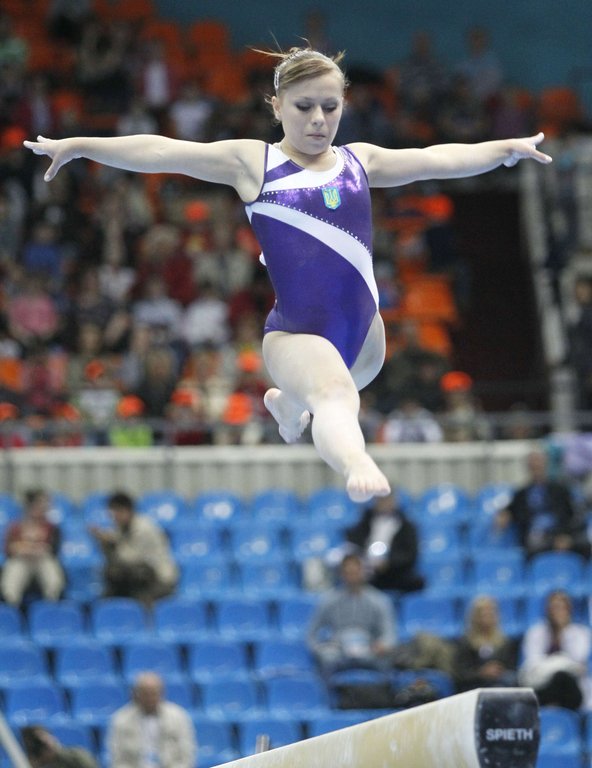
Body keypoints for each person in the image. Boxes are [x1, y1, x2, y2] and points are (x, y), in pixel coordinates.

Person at [24, 46, 553, 502]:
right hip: (297, 336)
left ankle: (286, 402)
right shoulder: (255, 164)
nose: (318, 119)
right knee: (336, 398)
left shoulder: (358, 161)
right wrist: (81, 145)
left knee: (335, 389)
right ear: (276, 106)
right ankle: (355, 461)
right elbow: (165, 151)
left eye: (331, 106)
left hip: (365, 342)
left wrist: (502, 149)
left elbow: (434, 158)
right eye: (303, 107)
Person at [307, 552, 397, 678]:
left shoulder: (379, 600)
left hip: (369, 650)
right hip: (339, 651)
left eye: (355, 572)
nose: (352, 577)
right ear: (341, 574)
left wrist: (383, 645)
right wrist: (321, 649)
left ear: (363, 572)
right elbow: (311, 634)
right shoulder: (328, 600)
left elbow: (389, 634)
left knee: (386, 661)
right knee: (327, 659)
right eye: (348, 573)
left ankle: (384, 689)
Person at [495, 447, 590, 559]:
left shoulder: (560, 490)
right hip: (535, 540)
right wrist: (505, 513)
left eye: (539, 462)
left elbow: (573, 515)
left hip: (559, 534)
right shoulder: (521, 494)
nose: (536, 466)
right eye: (533, 463)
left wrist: (564, 535)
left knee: (584, 546)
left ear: (546, 464)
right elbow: (511, 510)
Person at [88, 491, 178, 606]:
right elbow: (114, 558)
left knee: (129, 582)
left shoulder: (143, 527)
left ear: (127, 510)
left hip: (160, 579)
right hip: (138, 579)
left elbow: (131, 558)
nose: (114, 517)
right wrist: (104, 542)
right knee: (110, 586)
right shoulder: (121, 527)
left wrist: (111, 543)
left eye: (117, 513)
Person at [519, 590, 591, 710]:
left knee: (562, 677)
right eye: (554, 607)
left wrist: (562, 631)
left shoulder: (581, 633)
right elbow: (532, 665)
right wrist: (562, 661)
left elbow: (577, 664)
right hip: (542, 686)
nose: (557, 612)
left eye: (562, 608)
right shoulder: (535, 632)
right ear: (547, 610)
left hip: (571, 689)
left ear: (569, 610)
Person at [108, 671, 197, 768]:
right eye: (145, 694)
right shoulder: (121, 719)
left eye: (153, 694)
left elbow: (187, 755)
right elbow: (117, 759)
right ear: (136, 694)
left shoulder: (178, 717)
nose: (150, 698)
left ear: (162, 693)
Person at [344, 489, 425, 592]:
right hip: (367, 570)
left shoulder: (407, 526)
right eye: (380, 499)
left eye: (387, 499)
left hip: (394, 572)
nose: (384, 503)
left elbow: (409, 554)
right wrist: (365, 560)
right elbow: (353, 543)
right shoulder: (364, 522)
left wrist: (388, 562)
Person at [1, 489, 65, 607]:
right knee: (13, 573)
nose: (44, 507)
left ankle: (52, 604)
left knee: (52, 574)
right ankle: (11, 606)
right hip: (21, 559)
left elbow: (53, 549)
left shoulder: (52, 528)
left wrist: (38, 548)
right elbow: (8, 549)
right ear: (30, 506)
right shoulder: (16, 527)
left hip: (42, 559)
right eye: (40, 503)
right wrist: (21, 548)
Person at [452, 595, 519, 693]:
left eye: (491, 613)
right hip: (473, 687)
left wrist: (499, 671)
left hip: (501, 684)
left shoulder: (506, 643)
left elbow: (512, 668)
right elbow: (459, 674)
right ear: (474, 617)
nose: (487, 616)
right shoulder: (464, 643)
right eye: (482, 613)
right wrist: (481, 673)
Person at [21, 724, 98, 768]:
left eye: (45, 743)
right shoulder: (33, 762)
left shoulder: (76, 757)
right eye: (39, 746)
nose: (47, 745)